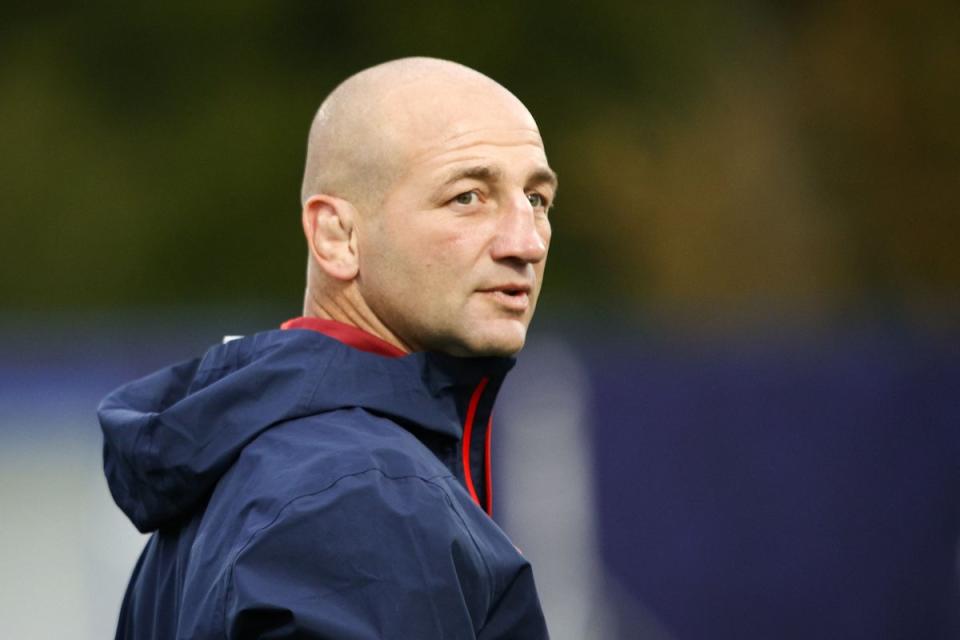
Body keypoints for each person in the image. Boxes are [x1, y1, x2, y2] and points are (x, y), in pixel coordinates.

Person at [98, 57, 557, 639]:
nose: (526, 241)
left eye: (537, 200)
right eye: (467, 197)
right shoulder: (364, 492)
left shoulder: (239, 470)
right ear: (337, 237)